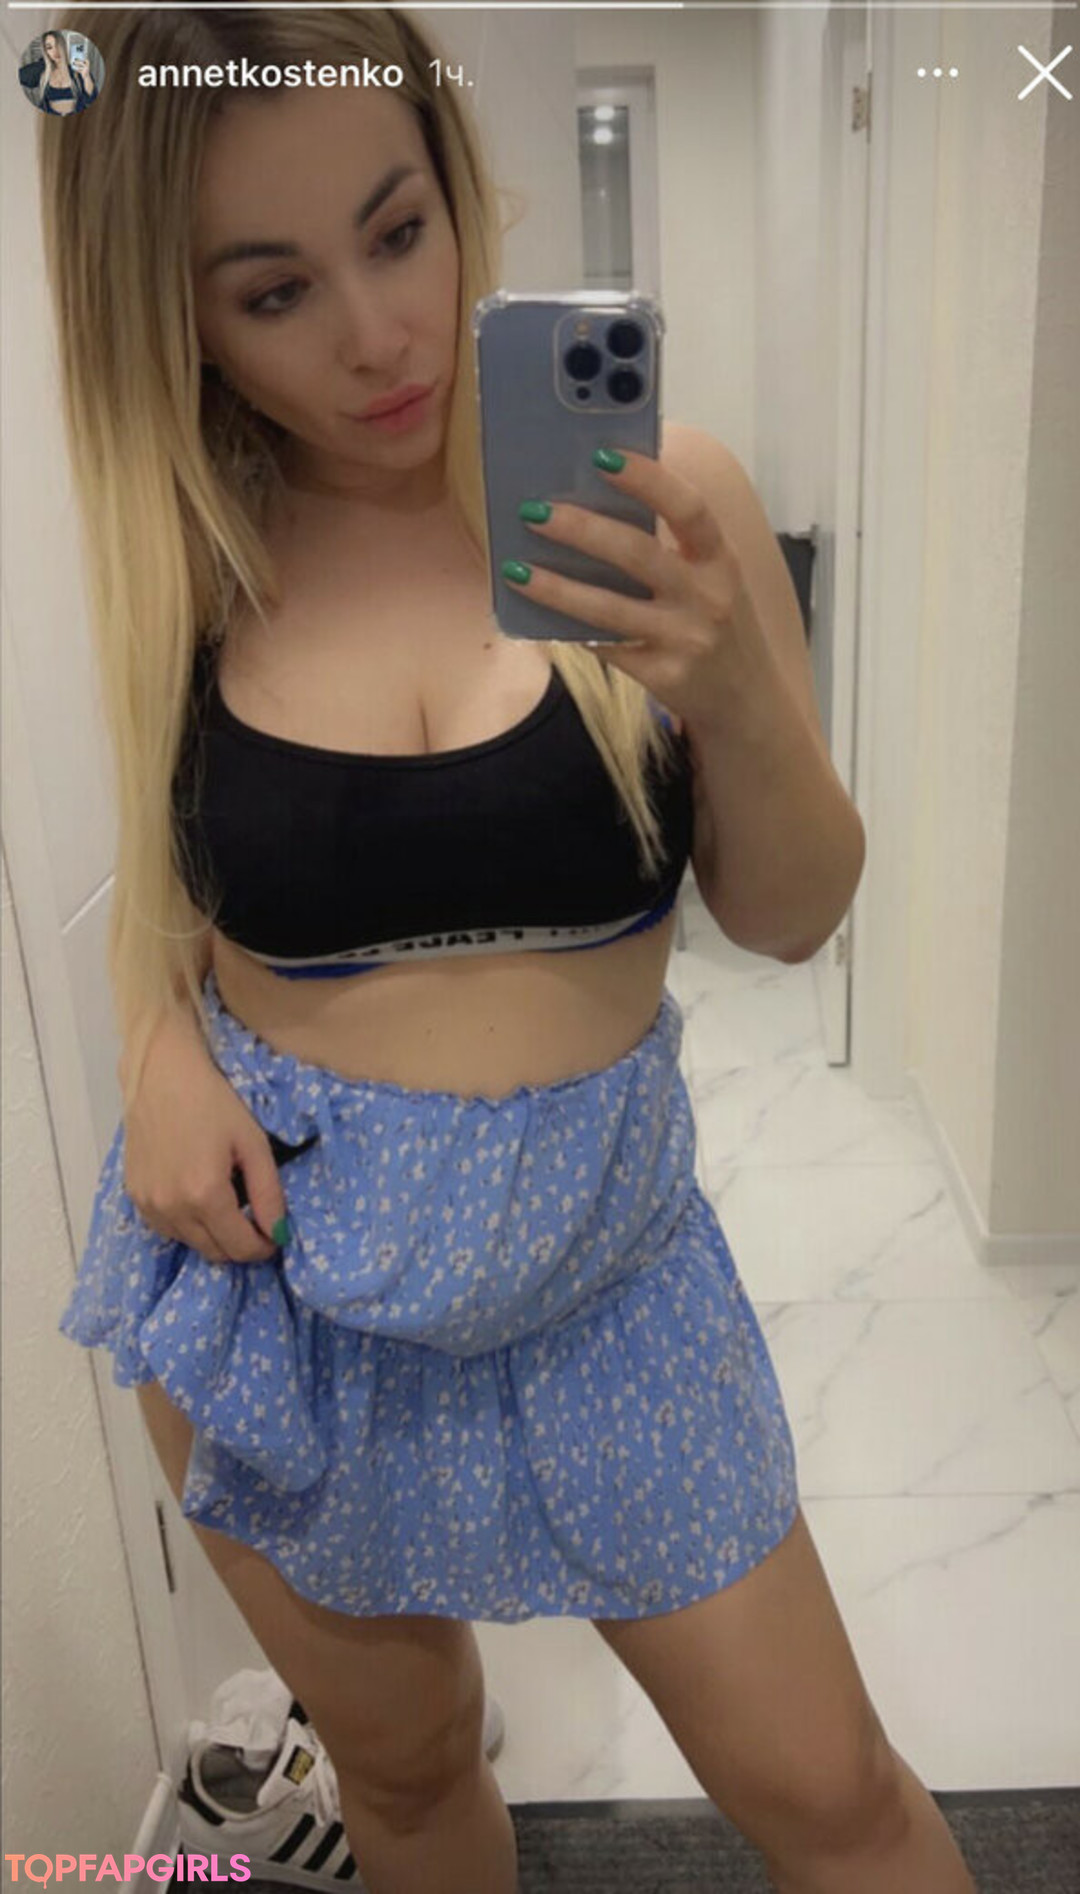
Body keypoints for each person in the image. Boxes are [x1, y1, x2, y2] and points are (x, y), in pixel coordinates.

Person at [42, 10, 976, 1894]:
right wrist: (154, 1046)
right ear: (182, 318)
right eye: (276, 290)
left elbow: (794, 913)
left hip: (613, 1288)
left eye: (399, 231)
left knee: (836, 1792)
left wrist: (735, 686)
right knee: (402, 1776)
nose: (378, 334)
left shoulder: (661, 496)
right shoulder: (191, 550)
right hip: (290, 1298)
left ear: (456, 189)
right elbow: (159, 873)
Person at [28, 29, 97, 115]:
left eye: (57, 45)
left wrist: (86, 76)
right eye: (49, 47)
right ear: (46, 52)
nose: (55, 51)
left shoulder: (77, 72)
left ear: (63, 46)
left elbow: (90, 98)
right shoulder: (44, 76)